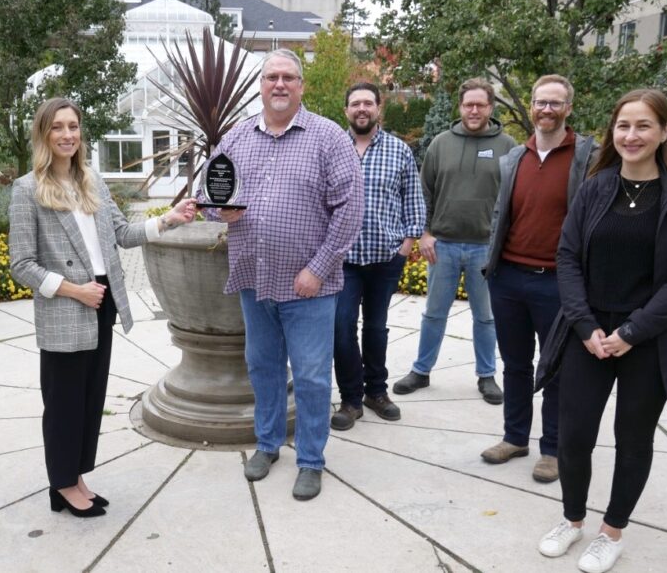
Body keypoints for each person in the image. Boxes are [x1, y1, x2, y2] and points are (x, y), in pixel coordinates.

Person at [535, 89, 667, 573]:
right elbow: (568, 257)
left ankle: (611, 532)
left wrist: (633, 331)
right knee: (573, 435)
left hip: (649, 339)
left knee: (632, 438)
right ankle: (572, 520)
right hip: (589, 334)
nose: (631, 135)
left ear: (663, 132)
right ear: (611, 132)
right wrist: (584, 325)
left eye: (642, 126)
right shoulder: (596, 188)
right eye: (623, 126)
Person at [9, 98, 196, 517]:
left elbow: (123, 235)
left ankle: (75, 477)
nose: (67, 135)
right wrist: (75, 291)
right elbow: (21, 264)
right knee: (64, 403)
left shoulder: (91, 181)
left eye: (73, 126)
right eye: (57, 127)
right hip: (68, 305)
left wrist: (170, 219)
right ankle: (61, 484)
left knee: (90, 399)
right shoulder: (27, 189)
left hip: (103, 301)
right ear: (43, 134)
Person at [202, 49, 363, 501]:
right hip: (254, 279)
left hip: (308, 286)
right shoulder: (236, 138)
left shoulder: (329, 137)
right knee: (263, 367)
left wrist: (318, 267)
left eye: (288, 77)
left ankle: (311, 460)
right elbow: (207, 190)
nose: (279, 84)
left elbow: (350, 211)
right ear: (260, 84)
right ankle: (268, 444)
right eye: (271, 76)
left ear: (301, 85)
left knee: (311, 375)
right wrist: (221, 211)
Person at [480, 74, 598, 483]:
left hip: (557, 282)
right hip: (509, 278)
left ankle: (553, 449)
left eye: (555, 103)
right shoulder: (516, 157)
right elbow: (501, 215)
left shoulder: (588, 156)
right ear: (530, 106)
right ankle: (514, 437)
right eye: (540, 102)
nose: (546, 110)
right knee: (514, 365)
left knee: (557, 369)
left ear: (568, 107)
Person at [392, 78, 514, 404]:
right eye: (468, 104)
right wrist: (425, 234)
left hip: (485, 249)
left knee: (485, 316)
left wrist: (502, 245)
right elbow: (424, 193)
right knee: (434, 313)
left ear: (491, 107)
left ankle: (486, 376)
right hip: (442, 245)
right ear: (460, 107)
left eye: (480, 105)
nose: (474, 110)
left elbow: (515, 199)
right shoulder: (440, 144)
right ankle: (421, 370)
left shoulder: (508, 147)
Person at [331, 82, 426, 430]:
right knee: (341, 329)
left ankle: (377, 392)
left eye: (367, 103)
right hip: (341, 261)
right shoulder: (331, 147)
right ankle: (351, 399)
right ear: (346, 110)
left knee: (376, 328)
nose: (361, 109)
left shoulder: (399, 151)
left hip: (384, 258)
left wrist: (405, 245)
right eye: (355, 103)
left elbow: (412, 200)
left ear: (378, 108)